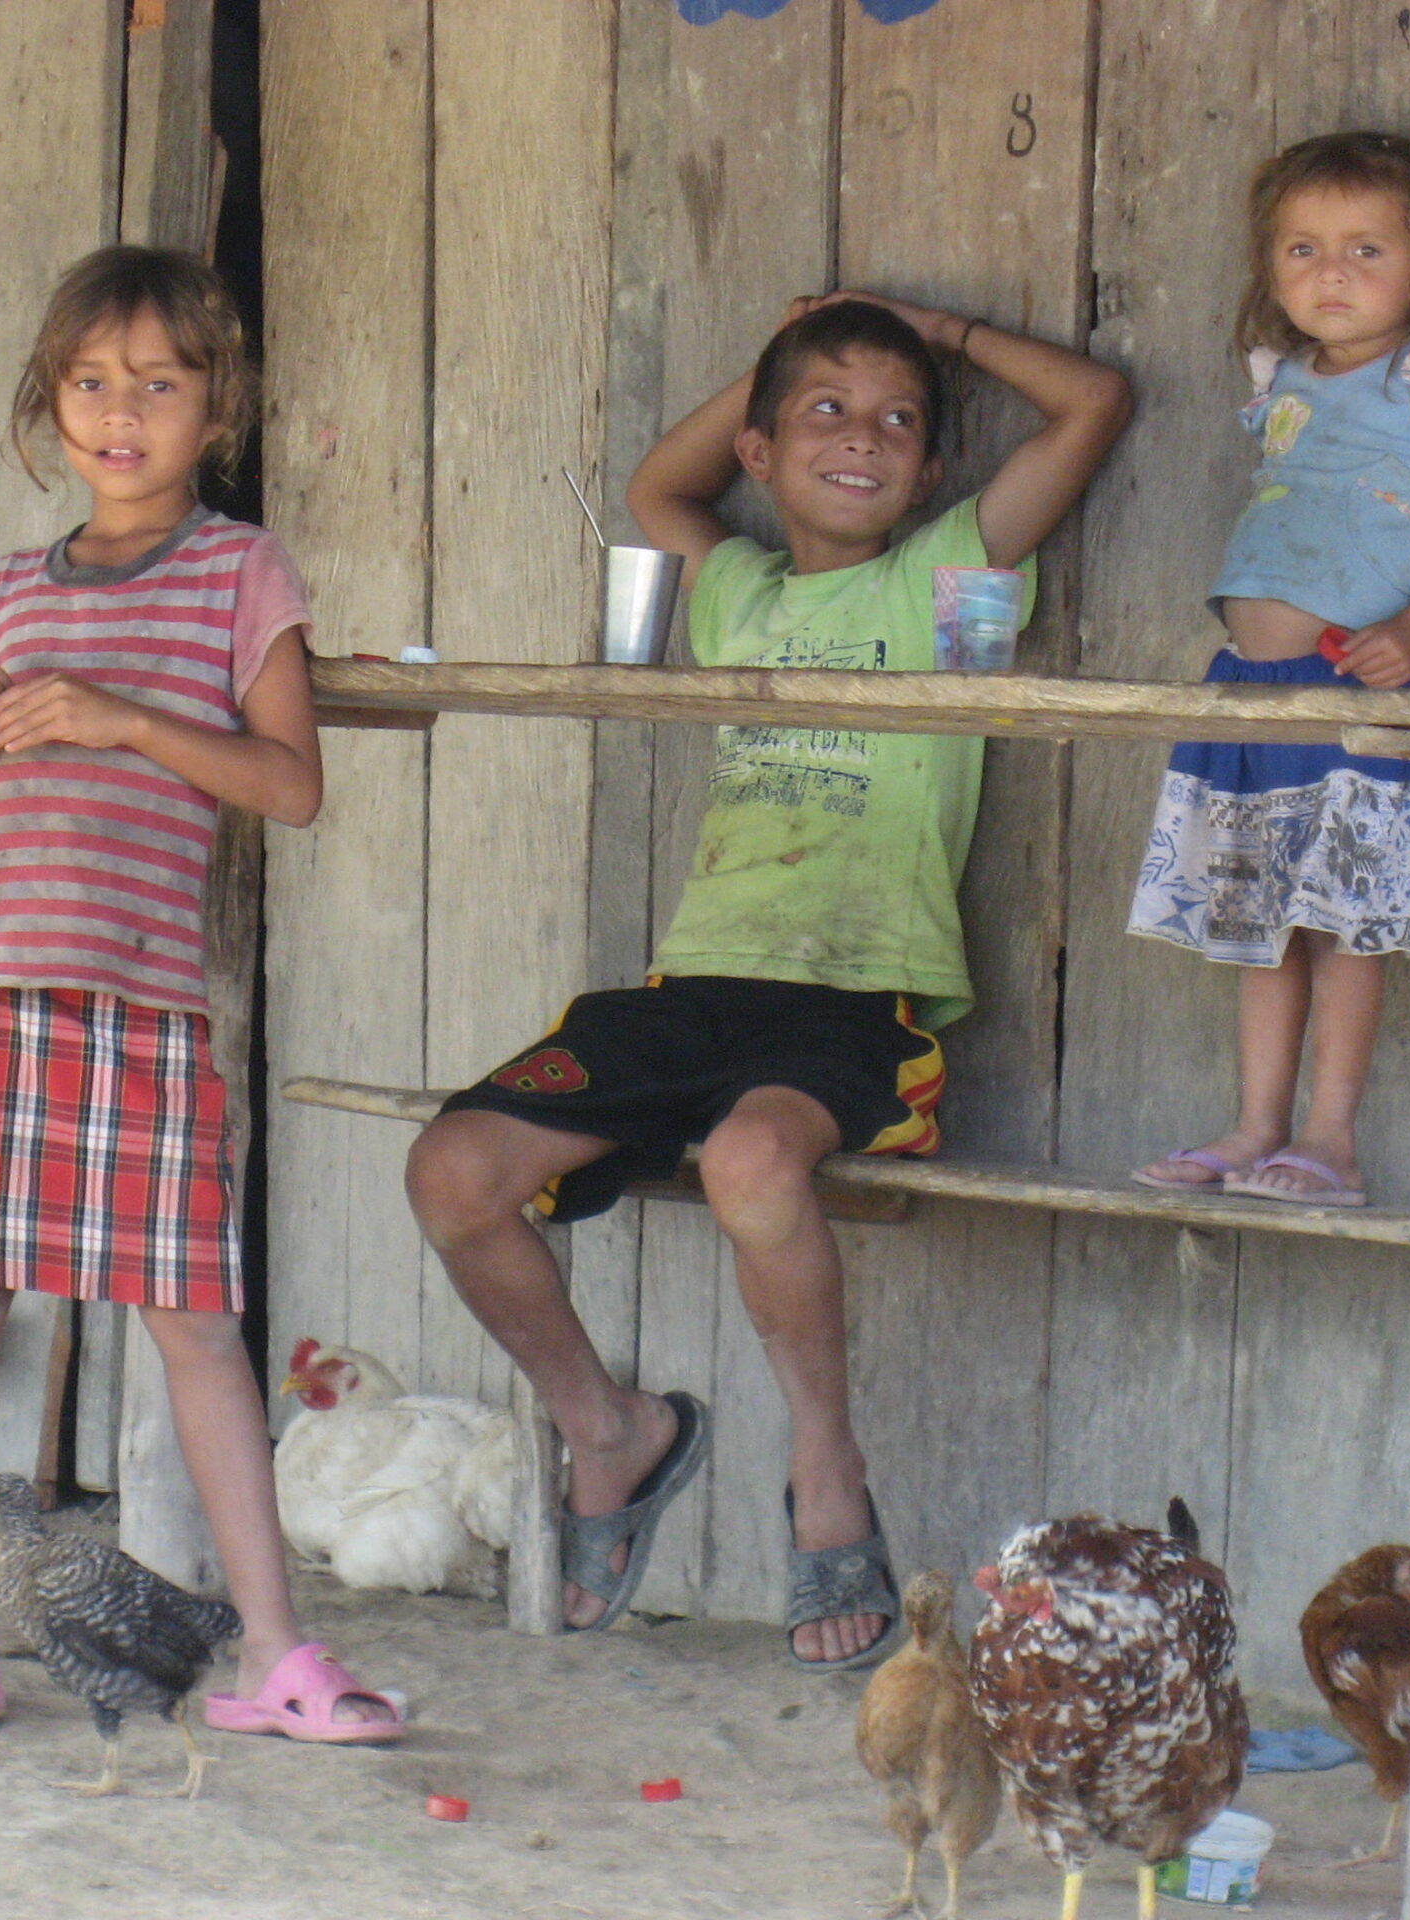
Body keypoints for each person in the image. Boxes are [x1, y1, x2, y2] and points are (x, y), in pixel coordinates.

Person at [406, 294, 1132, 1669]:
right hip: (696, 987)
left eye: (898, 422)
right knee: (452, 1170)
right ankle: (610, 1428)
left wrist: (938, 332)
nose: (863, 438)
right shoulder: (733, 590)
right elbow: (656, 487)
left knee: (751, 1163)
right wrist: (778, 359)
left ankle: (826, 1468)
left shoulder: (945, 577)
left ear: (931, 470)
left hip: (856, 1001)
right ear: (759, 448)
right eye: (825, 414)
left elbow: (1092, 403)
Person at [0, 245, 399, 1747]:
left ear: (214, 408)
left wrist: (123, 719)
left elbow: (289, 784)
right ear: (50, 405)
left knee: (195, 1324)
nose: (122, 414)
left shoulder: (240, 572)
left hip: (141, 1002)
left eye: (159, 385)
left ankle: (273, 1652)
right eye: (92, 384)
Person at [1130, 132, 1410, 1210]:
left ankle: (1330, 1140)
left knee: (1342, 921)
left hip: (1355, 684)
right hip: (1250, 690)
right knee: (1256, 920)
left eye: (1365, 250)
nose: (1331, 273)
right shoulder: (1284, 379)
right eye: (1303, 249)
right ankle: (1256, 1125)